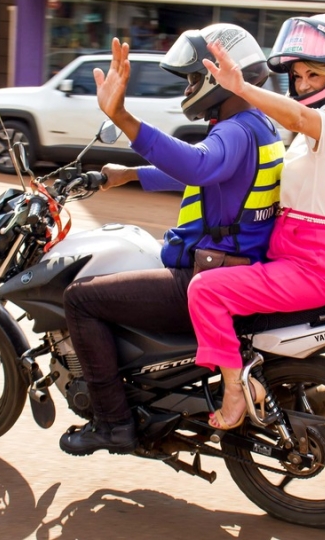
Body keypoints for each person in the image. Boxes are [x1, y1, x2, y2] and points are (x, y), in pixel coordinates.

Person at [59, 25, 286, 456]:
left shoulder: (234, 131)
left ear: (219, 74)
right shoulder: (257, 125)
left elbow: (200, 166)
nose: (189, 87)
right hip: (236, 267)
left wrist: (122, 118)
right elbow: (206, 172)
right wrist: (127, 174)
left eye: (193, 78)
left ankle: (113, 423)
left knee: (80, 300)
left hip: (206, 277)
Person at [187, 13, 325, 429]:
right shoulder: (321, 128)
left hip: (316, 264)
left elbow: (295, 116)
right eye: (298, 75)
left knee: (206, 291)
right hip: (295, 254)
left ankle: (235, 391)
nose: (304, 83)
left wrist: (240, 88)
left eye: (314, 74)